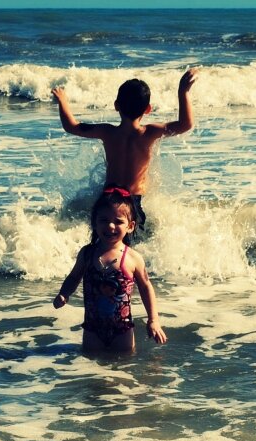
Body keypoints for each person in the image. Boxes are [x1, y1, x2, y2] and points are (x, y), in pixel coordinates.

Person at [51, 68, 198, 236]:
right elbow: (185, 124)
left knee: (100, 243)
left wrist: (62, 101)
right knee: (131, 248)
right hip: (131, 202)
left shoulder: (107, 132)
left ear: (116, 105)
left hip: (107, 199)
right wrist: (183, 91)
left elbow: (72, 126)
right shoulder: (149, 133)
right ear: (148, 109)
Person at [52, 186, 168, 353]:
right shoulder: (87, 253)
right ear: (94, 222)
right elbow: (73, 277)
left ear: (131, 226)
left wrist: (153, 320)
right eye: (104, 220)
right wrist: (64, 293)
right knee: (93, 370)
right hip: (92, 329)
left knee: (123, 370)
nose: (110, 226)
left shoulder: (132, 257)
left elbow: (145, 287)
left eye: (118, 221)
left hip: (123, 330)